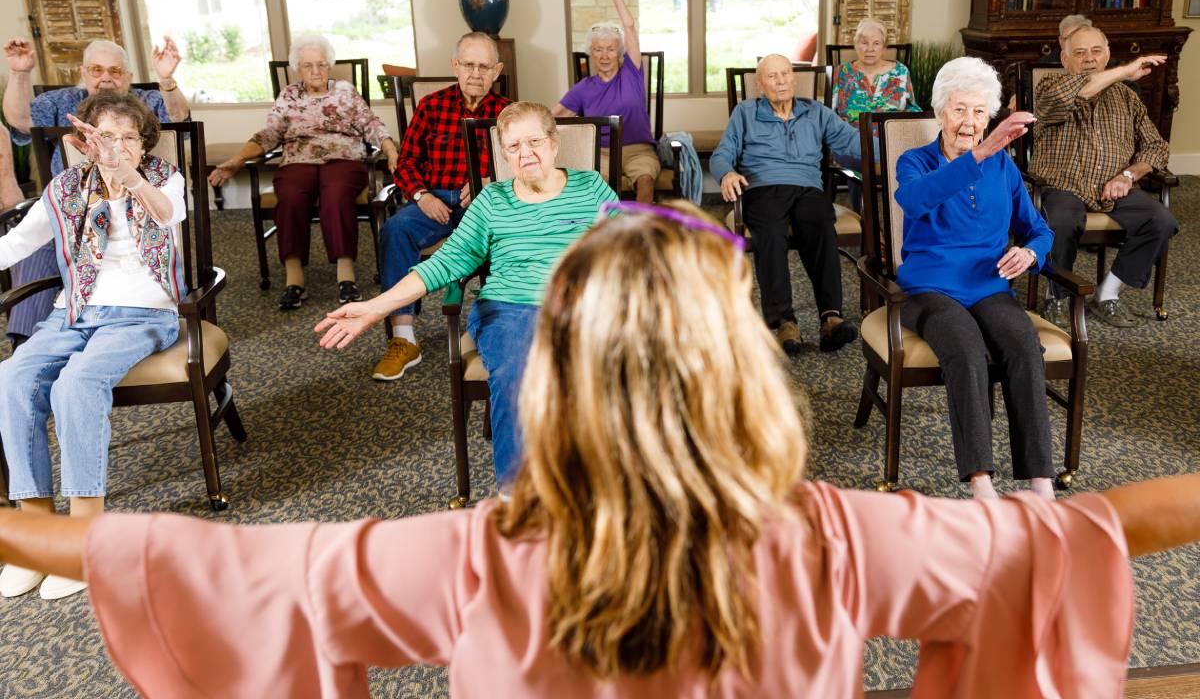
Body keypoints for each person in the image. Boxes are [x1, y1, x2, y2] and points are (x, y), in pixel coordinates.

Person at [2, 203, 1199, 696]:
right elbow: (1078, 530)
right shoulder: (839, 537)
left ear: (556, 370)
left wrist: (15, 520)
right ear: (740, 364)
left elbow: (222, 571)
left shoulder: (476, 555)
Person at [316, 102, 617, 490]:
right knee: (517, 377)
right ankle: (517, 499)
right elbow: (445, 263)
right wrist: (376, 308)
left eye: (534, 142)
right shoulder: (492, 200)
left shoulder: (589, 186)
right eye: (513, 147)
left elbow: (630, 246)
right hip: (511, 307)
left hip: (581, 305)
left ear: (554, 143)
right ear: (503, 154)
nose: (525, 153)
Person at [0, 92, 185, 601]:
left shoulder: (163, 178)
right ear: (86, 140)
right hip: (75, 310)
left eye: (129, 136)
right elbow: (20, 242)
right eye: (107, 135)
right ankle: (39, 535)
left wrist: (127, 175)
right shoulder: (66, 187)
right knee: (11, 377)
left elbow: (167, 215)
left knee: (77, 384)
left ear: (143, 141)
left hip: (145, 310)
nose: (118, 145)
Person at [894, 57, 1056, 501]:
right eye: (960, 109)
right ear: (940, 112)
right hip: (928, 288)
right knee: (965, 351)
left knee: (1024, 345)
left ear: (990, 117)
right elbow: (915, 201)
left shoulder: (1003, 169)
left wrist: (1029, 252)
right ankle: (980, 480)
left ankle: (1040, 480)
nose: (970, 122)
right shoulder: (916, 162)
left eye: (980, 112)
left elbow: (1040, 230)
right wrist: (983, 153)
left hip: (988, 284)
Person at [0, 37, 185, 347]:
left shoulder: (146, 101)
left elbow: (178, 118)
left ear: (128, 75)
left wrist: (166, 80)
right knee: (37, 245)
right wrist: (19, 73)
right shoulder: (60, 102)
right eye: (96, 70)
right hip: (72, 211)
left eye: (115, 70)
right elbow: (20, 122)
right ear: (83, 73)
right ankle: (28, 345)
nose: (105, 78)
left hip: (138, 213)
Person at [209, 35, 399, 309]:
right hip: (298, 160)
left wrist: (390, 150)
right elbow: (270, 133)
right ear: (298, 67)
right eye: (308, 66)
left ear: (329, 65)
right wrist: (237, 159)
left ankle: (346, 276)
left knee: (335, 194)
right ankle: (294, 280)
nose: (315, 71)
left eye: (321, 64)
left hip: (343, 158)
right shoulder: (288, 95)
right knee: (290, 196)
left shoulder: (345, 91)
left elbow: (370, 123)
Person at [373, 31, 511, 382]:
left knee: (506, 238)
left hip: (482, 204)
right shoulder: (431, 106)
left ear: (496, 71)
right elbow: (405, 163)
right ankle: (404, 340)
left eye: (484, 66)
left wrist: (487, 182)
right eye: (468, 64)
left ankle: (494, 329)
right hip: (433, 199)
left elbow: (518, 164)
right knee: (395, 230)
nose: (475, 73)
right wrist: (422, 195)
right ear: (455, 66)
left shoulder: (508, 113)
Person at [709, 53, 859, 355]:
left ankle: (831, 317)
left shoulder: (816, 112)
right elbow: (722, 153)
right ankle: (784, 322)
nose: (781, 81)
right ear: (760, 85)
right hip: (763, 187)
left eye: (786, 73)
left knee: (820, 221)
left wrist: (902, 145)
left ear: (794, 78)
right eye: (772, 76)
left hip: (807, 188)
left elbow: (855, 142)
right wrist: (726, 173)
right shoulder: (746, 112)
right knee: (771, 235)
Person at [1032, 25, 1177, 328]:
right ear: (1064, 58)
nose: (1089, 58)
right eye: (1080, 52)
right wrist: (1125, 71)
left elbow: (1155, 146)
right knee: (1061, 220)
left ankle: (1107, 294)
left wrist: (1128, 175)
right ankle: (1056, 295)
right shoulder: (1050, 87)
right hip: (1062, 185)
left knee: (1161, 220)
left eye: (1096, 51)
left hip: (1113, 188)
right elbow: (1078, 90)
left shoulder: (1127, 98)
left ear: (1107, 55)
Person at [552, 0, 659, 204]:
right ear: (592, 53)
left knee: (645, 180)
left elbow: (629, 26)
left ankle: (640, 234)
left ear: (620, 52)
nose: (604, 55)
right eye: (598, 49)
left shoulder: (632, 73)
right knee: (592, 187)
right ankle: (602, 236)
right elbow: (553, 116)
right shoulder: (584, 88)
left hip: (638, 149)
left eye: (610, 49)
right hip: (599, 154)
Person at [830, 18, 921, 211]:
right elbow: (830, 114)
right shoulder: (842, 73)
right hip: (850, 139)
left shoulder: (900, 72)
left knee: (895, 155)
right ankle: (865, 219)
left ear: (884, 46)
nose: (870, 48)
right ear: (855, 45)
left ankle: (896, 217)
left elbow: (912, 108)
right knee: (866, 155)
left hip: (889, 136)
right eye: (864, 43)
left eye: (876, 43)